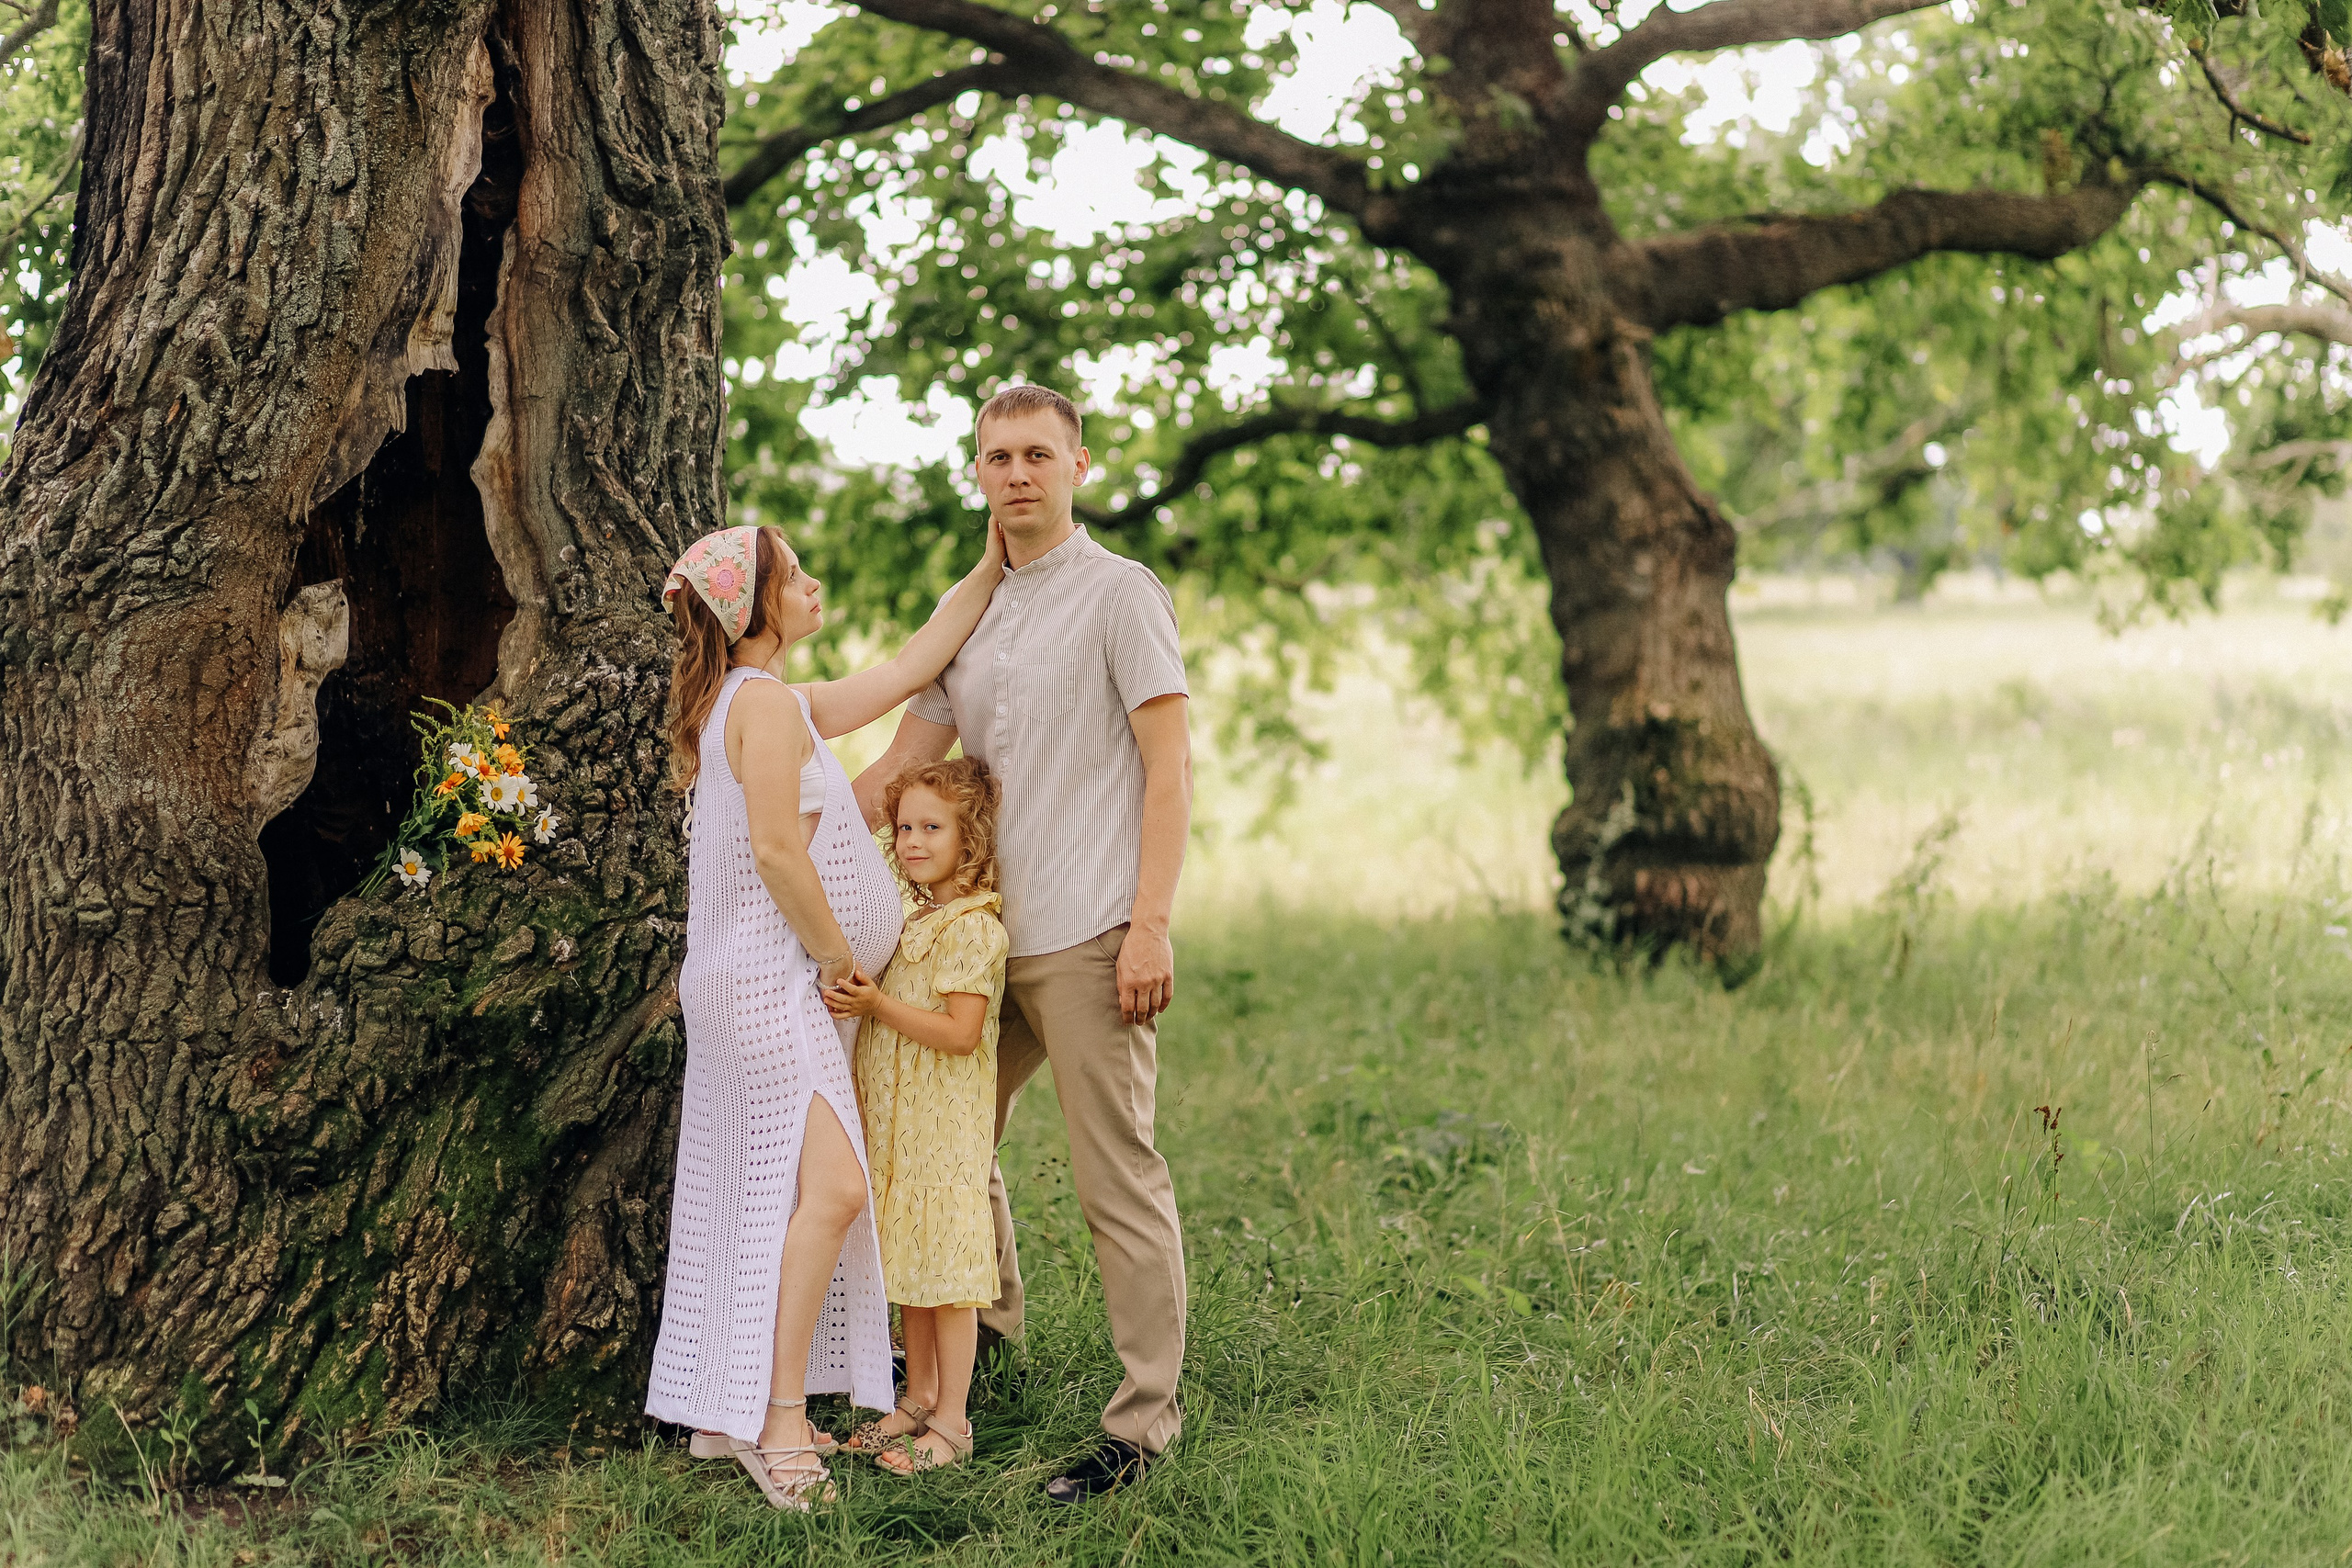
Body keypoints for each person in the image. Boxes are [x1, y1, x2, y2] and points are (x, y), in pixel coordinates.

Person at [854, 383, 1193, 1504]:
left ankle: (1141, 1427)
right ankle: (972, 1351)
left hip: (1089, 938)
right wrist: (766, 813)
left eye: (1039, 455)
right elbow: (901, 770)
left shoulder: (1119, 596)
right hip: (972, 945)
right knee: (948, 1157)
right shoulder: (975, 612)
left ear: (1078, 467)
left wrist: (1149, 926)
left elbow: (1168, 772)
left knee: (1117, 1181)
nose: (1019, 474)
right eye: (999, 457)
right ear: (980, 474)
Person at [643, 518, 1004, 1510]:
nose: (812, 582)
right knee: (835, 1193)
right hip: (765, 983)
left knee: (773, 1196)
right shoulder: (758, 704)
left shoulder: (773, 702)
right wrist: (843, 959)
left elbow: (904, 670)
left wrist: (987, 564)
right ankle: (780, 1416)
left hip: (764, 983)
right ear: (755, 606)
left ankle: (732, 1412)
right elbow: (774, 852)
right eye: (793, 573)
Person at [821, 758, 1010, 1476]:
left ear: (971, 841)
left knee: (949, 1279)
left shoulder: (972, 929)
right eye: (903, 827)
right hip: (901, 1134)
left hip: (943, 1136)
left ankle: (954, 1421)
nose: (911, 840)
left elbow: (960, 1032)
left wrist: (877, 1008)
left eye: (932, 827)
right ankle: (918, 1396)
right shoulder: (917, 919)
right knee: (911, 1268)